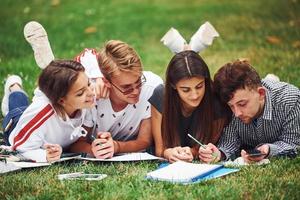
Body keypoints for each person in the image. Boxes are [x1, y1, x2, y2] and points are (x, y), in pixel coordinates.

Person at [70, 40, 163, 158]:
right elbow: (75, 143)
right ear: (106, 82)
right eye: (126, 87)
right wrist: (95, 150)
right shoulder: (92, 95)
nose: (136, 91)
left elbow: (144, 141)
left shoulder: (151, 87)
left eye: (139, 81)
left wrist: (116, 146)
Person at [198, 60, 300, 163]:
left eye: (242, 104)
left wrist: (269, 150)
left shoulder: (289, 100)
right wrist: (219, 154)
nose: (237, 113)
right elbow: (230, 142)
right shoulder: (231, 106)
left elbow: (293, 143)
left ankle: (272, 80)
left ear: (261, 93)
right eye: (231, 106)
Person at [4, 60, 95, 162]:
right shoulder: (40, 115)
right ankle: (14, 86)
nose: (91, 93)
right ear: (61, 100)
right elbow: (19, 144)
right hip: (16, 125)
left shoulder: (86, 102)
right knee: (18, 106)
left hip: (41, 122)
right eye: (80, 93)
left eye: (89, 84)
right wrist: (43, 156)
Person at [149, 50, 231, 163]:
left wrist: (193, 152)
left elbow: (210, 147)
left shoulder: (216, 101)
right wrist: (167, 153)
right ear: (173, 85)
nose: (194, 95)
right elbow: (160, 149)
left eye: (199, 86)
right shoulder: (161, 96)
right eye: (185, 90)